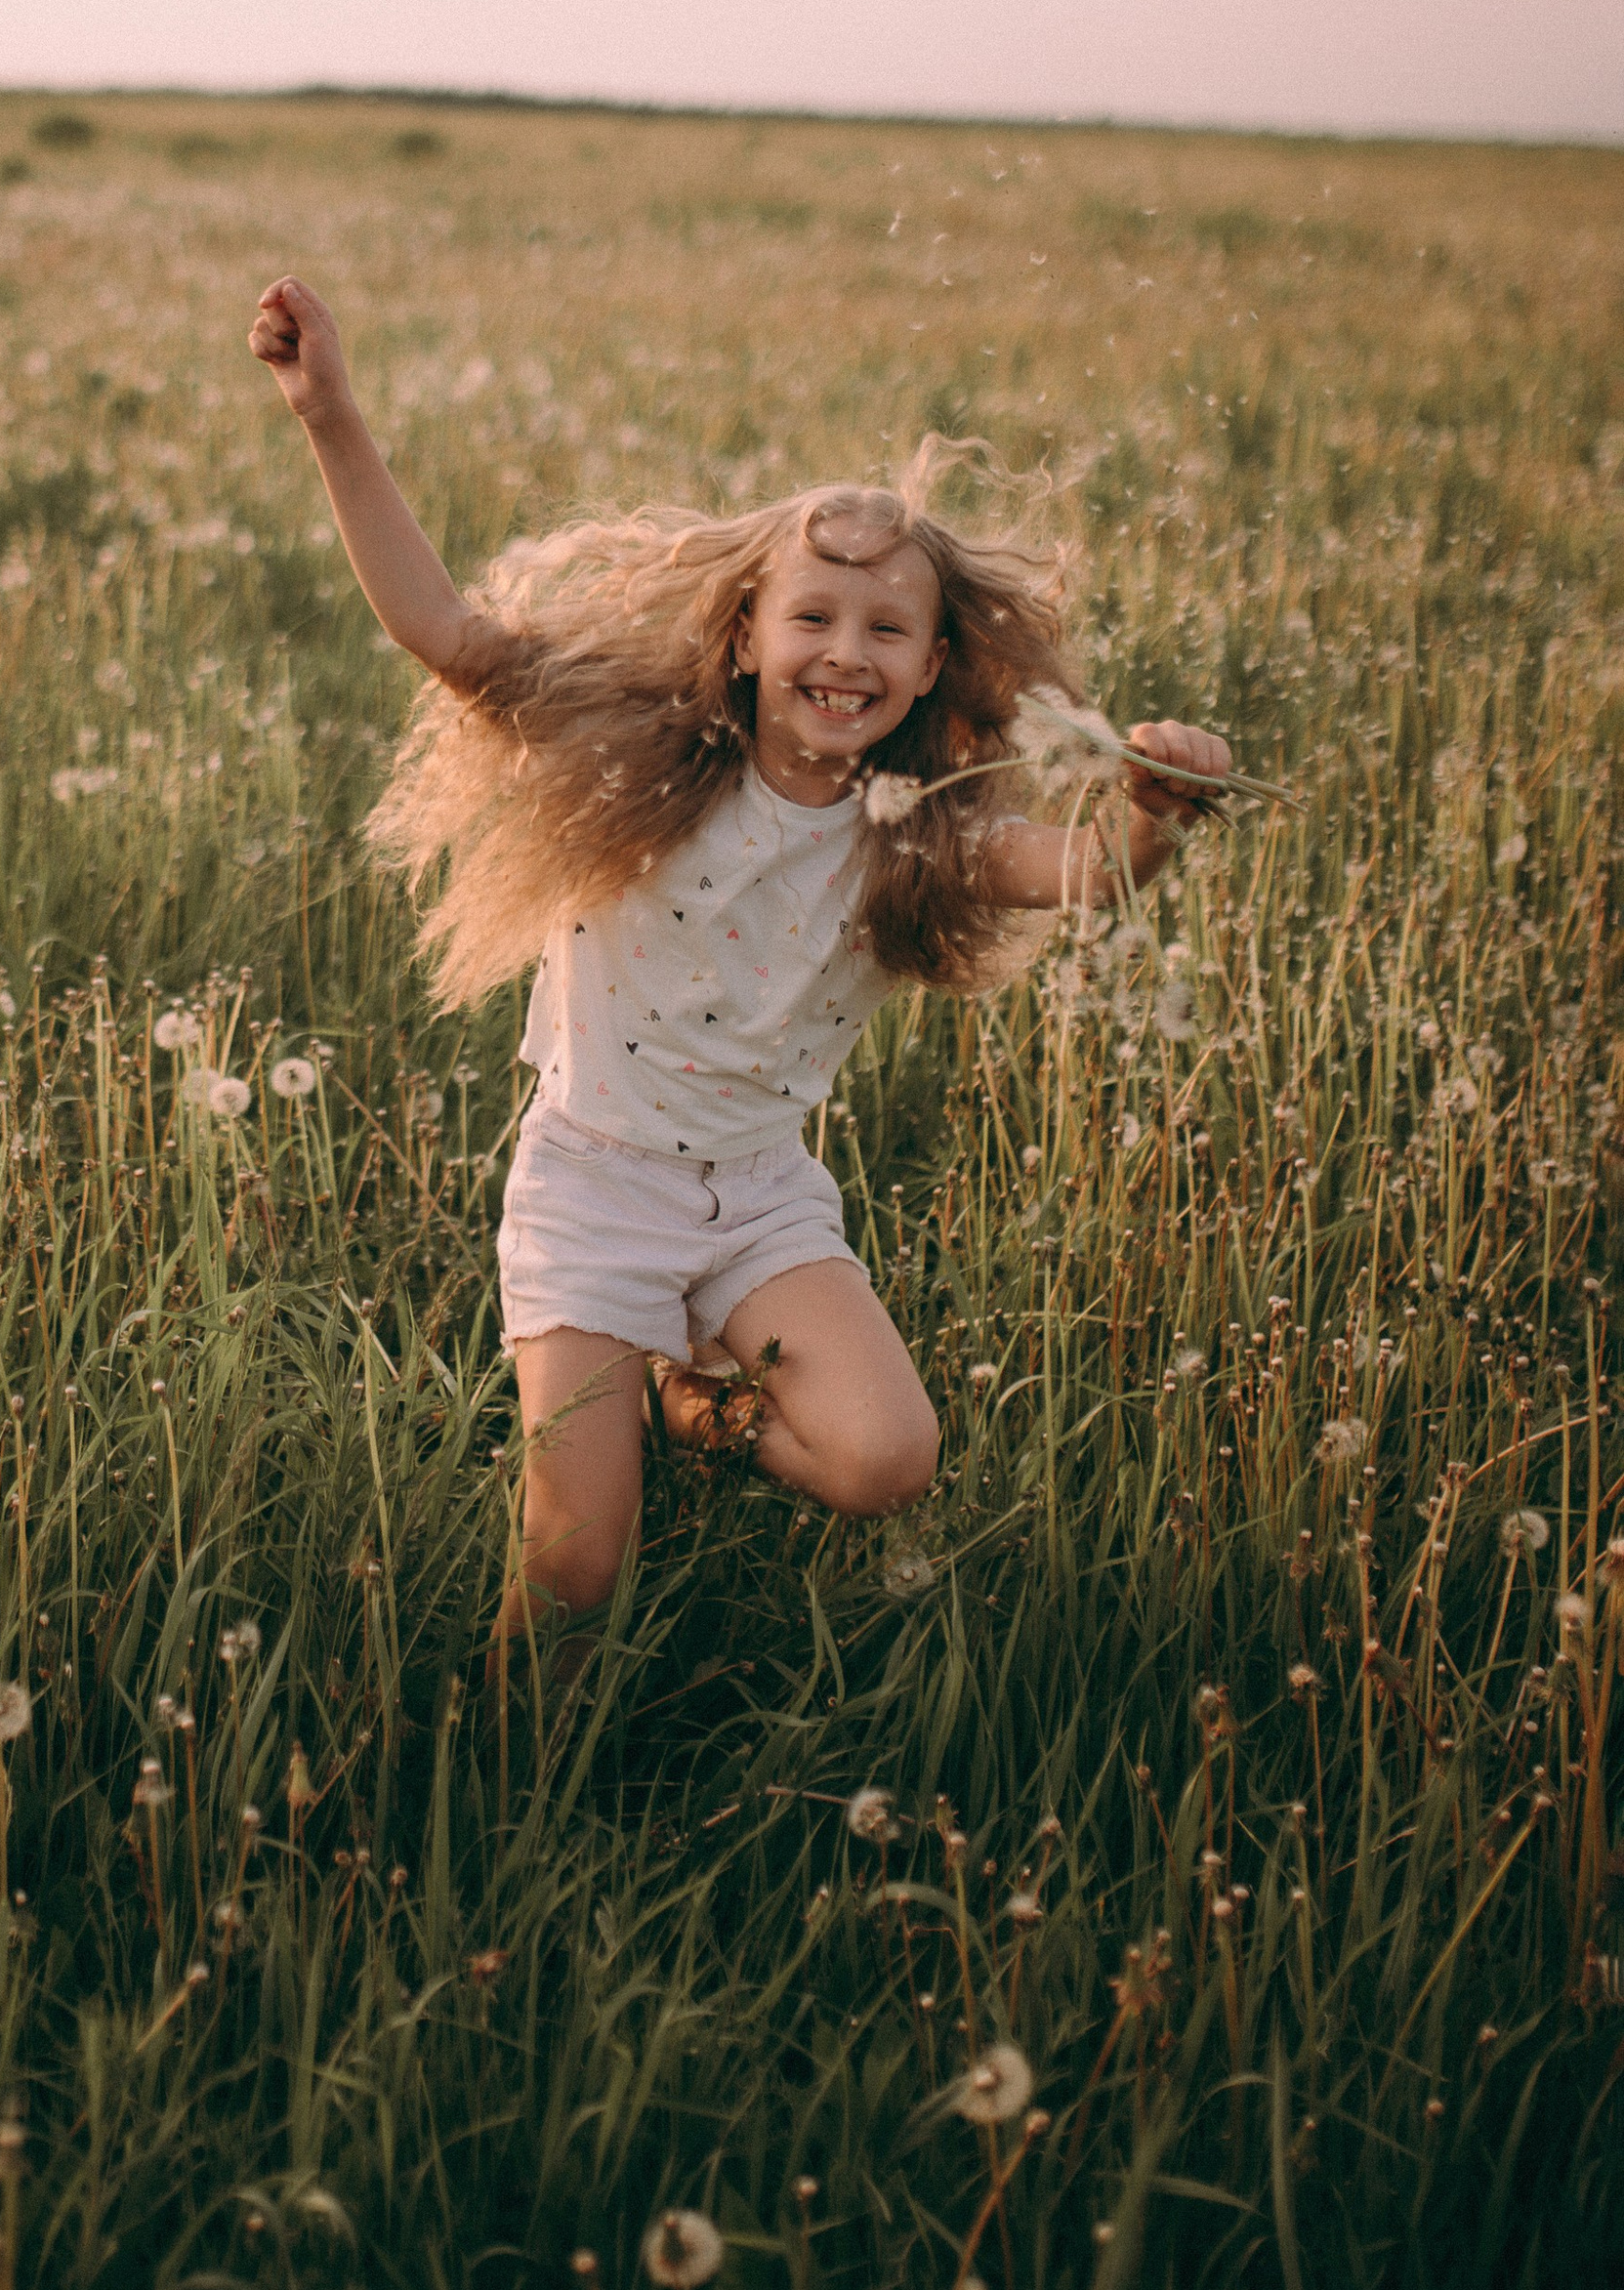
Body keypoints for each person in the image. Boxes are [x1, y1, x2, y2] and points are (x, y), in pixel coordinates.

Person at [249, 271, 1232, 1681]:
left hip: (759, 1198)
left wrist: (1152, 814)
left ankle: (683, 1401)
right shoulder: (649, 765)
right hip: (595, 1185)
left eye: (887, 631)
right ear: (747, 638)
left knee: (886, 1459)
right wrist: (329, 413)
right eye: (814, 619)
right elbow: (446, 636)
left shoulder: (921, 830)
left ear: (933, 663)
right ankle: (518, 1759)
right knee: (578, 1560)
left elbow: (1085, 873)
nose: (846, 653)